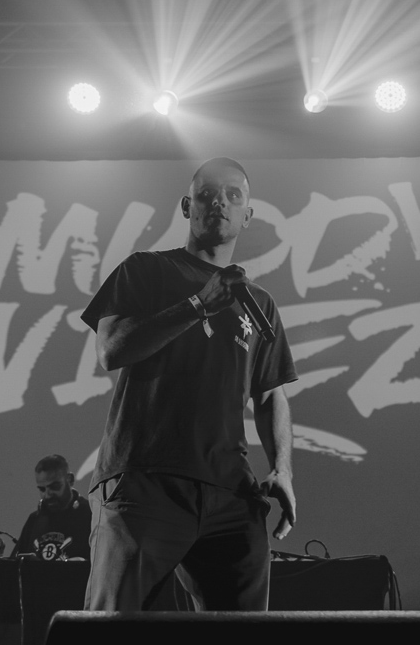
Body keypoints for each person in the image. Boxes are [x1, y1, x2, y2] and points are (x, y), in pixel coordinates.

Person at [81, 156, 297, 612]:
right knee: (109, 623)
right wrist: (199, 304)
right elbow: (111, 350)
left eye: (233, 195)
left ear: (247, 216)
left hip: (231, 491)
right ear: (187, 206)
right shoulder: (145, 270)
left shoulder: (259, 303)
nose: (220, 202)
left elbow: (270, 393)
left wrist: (283, 469)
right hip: (145, 478)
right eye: (207, 194)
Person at [11, 454, 91, 560]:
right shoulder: (34, 520)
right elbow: (14, 565)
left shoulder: (91, 515)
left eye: (54, 487)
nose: (47, 495)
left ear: (70, 480)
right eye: (42, 489)